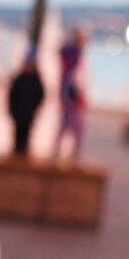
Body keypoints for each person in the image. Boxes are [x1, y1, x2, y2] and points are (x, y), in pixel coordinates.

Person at [55, 26, 91, 162]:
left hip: (69, 95)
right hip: (72, 97)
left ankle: (60, 151)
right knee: (76, 127)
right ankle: (72, 154)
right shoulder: (75, 54)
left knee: (66, 125)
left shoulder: (70, 52)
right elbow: (77, 78)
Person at [7, 50, 45, 157]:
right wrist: (11, 108)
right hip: (18, 112)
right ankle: (16, 153)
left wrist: (35, 107)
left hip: (29, 113)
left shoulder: (36, 80)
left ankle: (23, 154)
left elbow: (41, 95)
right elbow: (12, 94)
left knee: (26, 134)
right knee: (18, 134)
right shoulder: (19, 78)